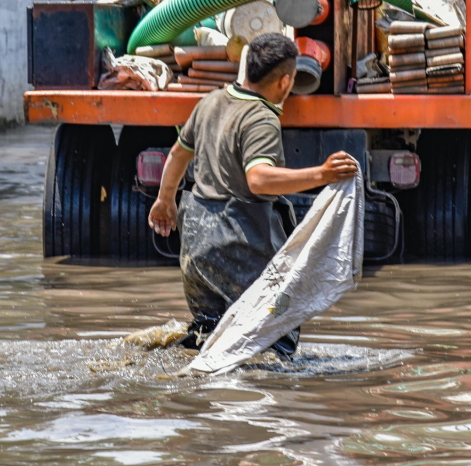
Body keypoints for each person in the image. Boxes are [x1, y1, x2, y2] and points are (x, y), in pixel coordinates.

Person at [148, 33, 358, 353]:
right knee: (273, 342)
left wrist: (165, 202)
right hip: (236, 244)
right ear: (286, 81)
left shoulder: (210, 101)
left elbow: (178, 154)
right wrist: (322, 174)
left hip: (194, 246)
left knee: (208, 338)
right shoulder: (262, 117)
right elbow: (258, 179)